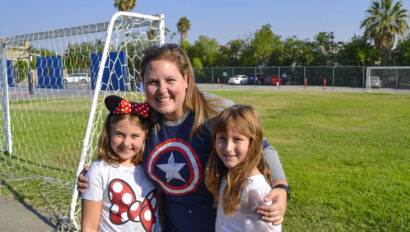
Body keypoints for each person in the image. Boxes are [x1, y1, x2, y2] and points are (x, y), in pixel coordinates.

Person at [78, 44, 289, 231]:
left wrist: (281, 187)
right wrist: (93, 176)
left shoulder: (216, 112)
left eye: (170, 80)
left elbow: (262, 149)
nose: (162, 90)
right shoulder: (144, 122)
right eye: (152, 82)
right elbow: (125, 157)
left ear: (186, 79)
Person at [81, 95, 160, 232]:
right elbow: (89, 227)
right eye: (120, 134)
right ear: (109, 133)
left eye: (135, 136)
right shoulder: (98, 171)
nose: (126, 143)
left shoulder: (152, 167)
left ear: (146, 136)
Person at [206, 104, 282, 232]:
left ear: (253, 143)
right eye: (222, 139)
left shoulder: (254, 191)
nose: (228, 148)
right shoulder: (230, 175)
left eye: (237, 139)